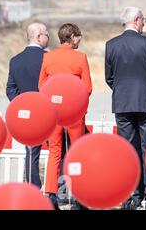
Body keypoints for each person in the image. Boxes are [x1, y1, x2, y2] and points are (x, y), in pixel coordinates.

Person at [105, 7, 146, 210]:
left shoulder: (111, 45)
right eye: (143, 20)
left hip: (123, 103)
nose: (143, 23)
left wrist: (122, 90)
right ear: (137, 20)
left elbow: (109, 77)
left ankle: (131, 196)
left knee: (128, 151)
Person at [39, 23, 92, 210]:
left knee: (54, 152)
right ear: (72, 37)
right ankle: (78, 197)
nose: (79, 40)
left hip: (53, 113)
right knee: (76, 153)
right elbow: (87, 88)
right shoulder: (80, 58)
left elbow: (41, 86)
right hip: (74, 112)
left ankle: (51, 195)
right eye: (79, 37)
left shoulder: (48, 57)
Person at [6, 22, 50, 190]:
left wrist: (22, 105)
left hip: (28, 114)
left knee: (31, 153)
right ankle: (59, 188)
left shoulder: (15, 60)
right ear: (38, 37)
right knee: (57, 150)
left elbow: (10, 88)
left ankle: (33, 189)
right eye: (46, 34)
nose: (48, 37)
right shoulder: (49, 58)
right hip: (49, 111)